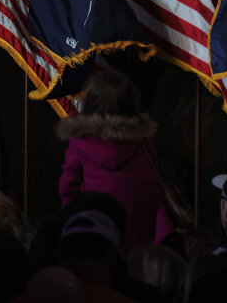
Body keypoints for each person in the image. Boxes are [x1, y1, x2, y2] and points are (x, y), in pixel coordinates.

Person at [56, 68, 169, 252]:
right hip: (141, 231)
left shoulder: (80, 142)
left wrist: (76, 223)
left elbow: (67, 189)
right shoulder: (143, 141)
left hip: (94, 231)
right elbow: (153, 183)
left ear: (92, 104)